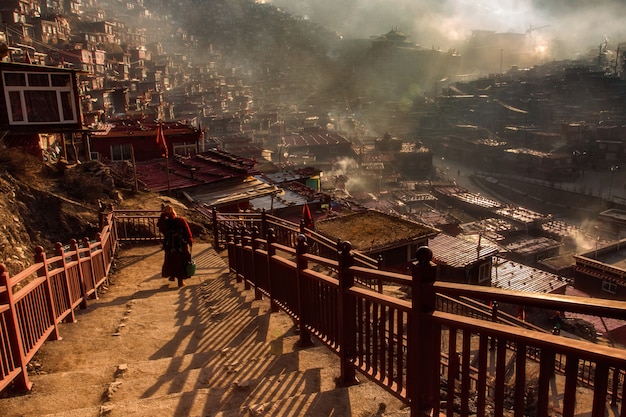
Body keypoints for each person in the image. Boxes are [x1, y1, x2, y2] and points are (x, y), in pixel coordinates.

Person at [157, 205, 193, 287]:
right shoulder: (180, 220)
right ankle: (180, 281)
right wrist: (190, 240)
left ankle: (172, 276)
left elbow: (160, 226)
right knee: (181, 263)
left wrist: (162, 215)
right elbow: (187, 231)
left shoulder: (165, 223)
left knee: (171, 261)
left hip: (170, 245)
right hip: (181, 245)